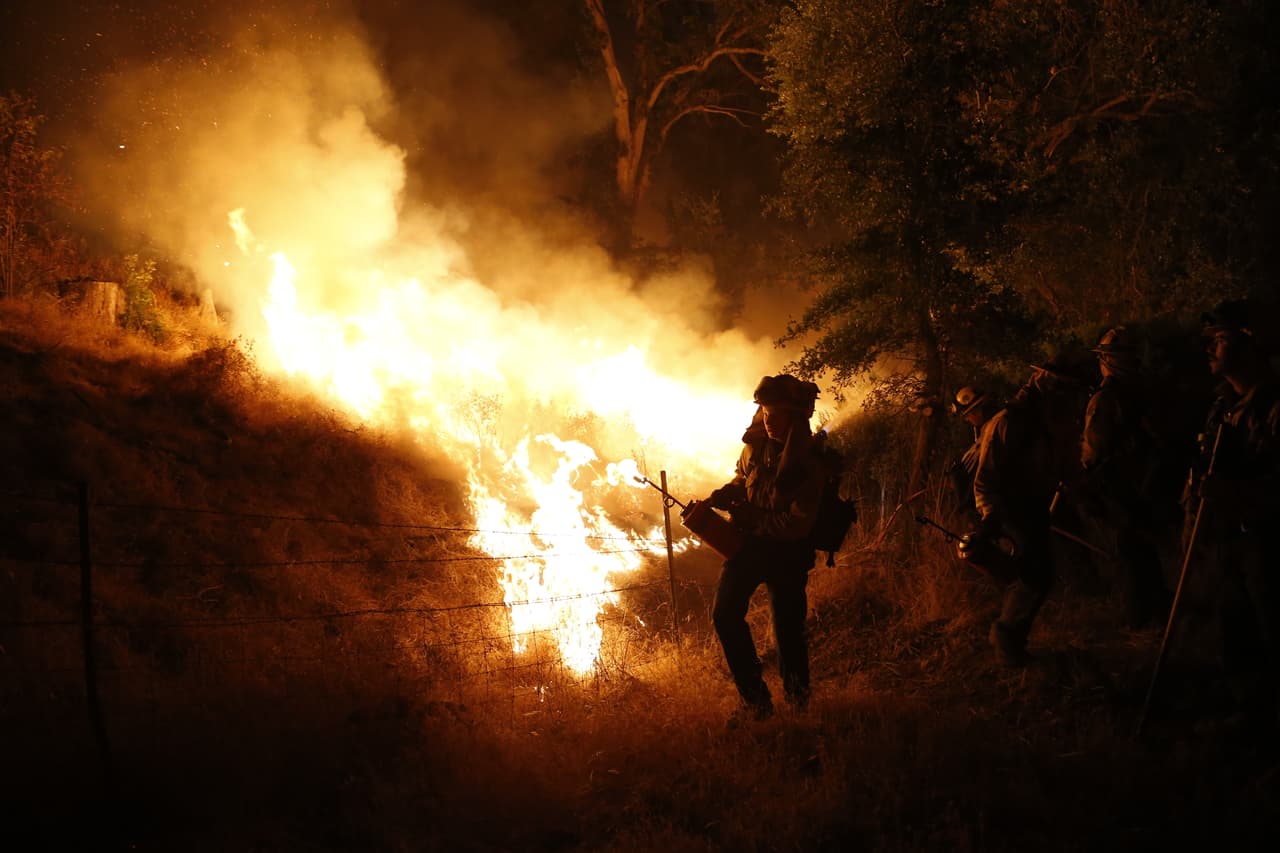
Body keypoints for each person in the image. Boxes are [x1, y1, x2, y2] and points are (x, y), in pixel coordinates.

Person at [705, 374, 827, 719]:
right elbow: (744, 479)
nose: (770, 420)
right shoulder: (754, 447)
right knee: (725, 614)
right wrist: (729, 492)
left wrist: (756, 518)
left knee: (788, 630)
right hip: (749, 548)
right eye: (765, 413)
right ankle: (755, 702)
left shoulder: (809, 464)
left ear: (797, 418)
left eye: (778, 414)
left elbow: (797, 524)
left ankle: (798, 704)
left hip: (787, 553)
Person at [1191, 300, 1280, 734]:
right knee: (1237, 629)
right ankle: (1251, 713)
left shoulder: (1274, 407)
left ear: (1251, 344)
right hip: (1231, 539)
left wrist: (1235, 492)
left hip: (1267, 540)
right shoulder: (1223, 405)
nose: (1209, 349)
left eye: (1220, 340)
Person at [969, 354, 1093, 665]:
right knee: (1034, 575)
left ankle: (1010, 640)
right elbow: (985, 478)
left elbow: (1067, 466)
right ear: (1041, 381)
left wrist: (1085, 490)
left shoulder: (1055, 422)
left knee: (1038, 574)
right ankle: (1007, 643)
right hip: (1010, 510)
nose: (1065, 394)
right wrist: (991, 518)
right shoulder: (1007, 422)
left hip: (1037, 507)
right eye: (1059, 386)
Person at [1078, 326, 1172, 629]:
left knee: (1129, 551)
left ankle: (1140, 617)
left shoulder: (1106, 398)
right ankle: (1159, 610)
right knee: (1143, 547)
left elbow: (1094, 448)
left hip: (1120, 484)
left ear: (1108, 360)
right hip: (1146, 480)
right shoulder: (1144, 389)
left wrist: (1086, 480)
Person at [948, 386, 1001, 524]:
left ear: (977, 410)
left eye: (967, 415)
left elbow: (984, 471)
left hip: (986, 510)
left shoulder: (992, 432)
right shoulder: (984, 433)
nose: (967, 419)